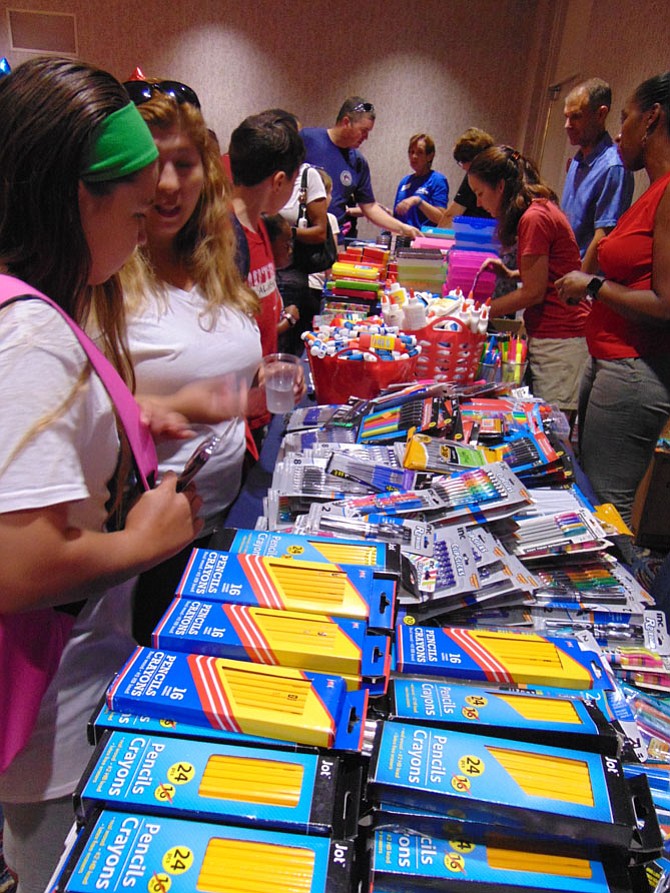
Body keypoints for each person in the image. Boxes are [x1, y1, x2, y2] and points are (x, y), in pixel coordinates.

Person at [0, 57, 202, 892]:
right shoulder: (34, 338)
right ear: (77, 198)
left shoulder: (30, 304)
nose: (146, 229)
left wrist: (123, 428)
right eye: (133, 210)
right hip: (52, 714)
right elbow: (18, 566)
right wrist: (142, 538)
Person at [117, 81, 265, 646]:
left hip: (225, 515)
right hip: (142, 549)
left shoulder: (214, 256)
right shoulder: (104, 274)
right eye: (152, 165)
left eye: (185, 162)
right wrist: (179, 403)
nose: (169, 185)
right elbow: (68, 405)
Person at [556, 71, 670, 535]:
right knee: (589, 495)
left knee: (606, 510)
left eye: (625, 118)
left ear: (653, 119)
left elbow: (666, 304)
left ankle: (617, 608)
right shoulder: (652, 190)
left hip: (633, 370)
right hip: (611, 362)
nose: (619, 132)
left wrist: (592, 285)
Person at [468, 145, 589, 412]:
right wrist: (512, 274)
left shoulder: (533, 218)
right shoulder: (538, 210)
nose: (478, 202)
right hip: (554, 334)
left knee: (553, 426)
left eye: (480, 193)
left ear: (500, 186)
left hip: (561, 338)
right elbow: (550, 273)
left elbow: (533, 292)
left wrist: (478, 313)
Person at [228, 110, 307, 443]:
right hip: (236, 408)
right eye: (293, 181)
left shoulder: (259, 222)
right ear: (278, 181)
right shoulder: (228, 239)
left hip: (260, 394)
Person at [301, 96, 420, 240]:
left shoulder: (358, 161)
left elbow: (369, 207)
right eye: (363, 131)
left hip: (331, 241)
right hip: (301, 236)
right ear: (346, 122)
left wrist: (403, 228)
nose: (366, 137)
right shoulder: (307, 139)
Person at [561, 78, 634, 272]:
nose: (567, 125)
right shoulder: (578, 159)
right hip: (563, 274)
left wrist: (578, 285)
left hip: (582, 286)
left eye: (576, 116)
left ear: (601, 114)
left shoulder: (613, 167)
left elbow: (604, 236)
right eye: (566, 117)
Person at [276, 157, 328, 354]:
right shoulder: (260, 176)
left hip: (293, 274)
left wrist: (287, 233)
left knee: (288, 349)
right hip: (262, 272)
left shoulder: (307, 177)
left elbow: (320, 232)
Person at [437, 127, 495, 228]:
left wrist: (432, 240)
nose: (462, 166)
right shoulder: (492, 169)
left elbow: (452, 214)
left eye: (463, 161)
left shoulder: (475, 173)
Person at [393, 133, 449, 229]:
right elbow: (398, 216)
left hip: (424, 239)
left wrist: (418, 201)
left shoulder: (438, 180)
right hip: (402, 238)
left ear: (430, 156)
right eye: (411, 152)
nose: (414, 156)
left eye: (419, 152)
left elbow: (442, 219)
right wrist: (386, 212)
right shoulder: (404, 182)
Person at [307, 169, 341, 322]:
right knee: (320, 324)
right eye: (329, 193)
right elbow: (331, 257)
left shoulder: (300, 219)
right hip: (320, 286)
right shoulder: (329, 219)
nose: (331, 198)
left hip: (304, 282)